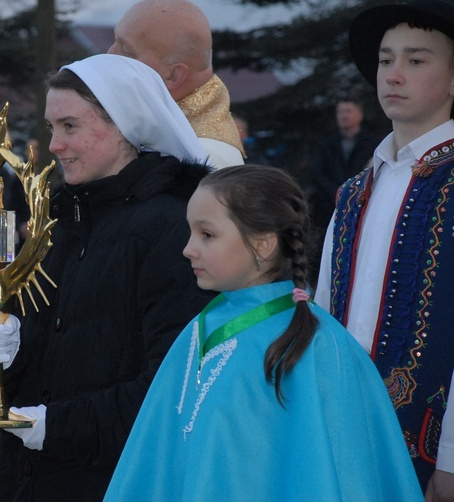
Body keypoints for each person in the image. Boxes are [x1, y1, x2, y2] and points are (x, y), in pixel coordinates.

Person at [0, 53, 212, 500]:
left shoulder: (169, 228)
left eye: (70, 126)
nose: (54, 144)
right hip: (24, 478)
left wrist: (55, 426)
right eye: (51, 127)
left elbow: (170, 386)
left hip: (112, 482)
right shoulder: (56, 223)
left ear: (124, 125)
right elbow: (36, 365)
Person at [104, 165, 422, 501]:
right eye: (190, 232)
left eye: (207, 235)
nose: (188, 249)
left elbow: (332, 475)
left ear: (264, 244)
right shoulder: (201, 326)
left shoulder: (317, 346)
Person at [314, 0, 454, 497]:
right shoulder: (354, 190)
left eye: (416, 61)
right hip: (341, 437)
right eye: (385, 59)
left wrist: (453, 460)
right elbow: (326, 312)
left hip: (426, 447)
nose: (394, 74)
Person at [108, 0, 245, 169]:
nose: (110, 54)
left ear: (173, 76)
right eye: (115, 40)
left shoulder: (200, 160)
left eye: (126, 50)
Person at [310, 98, 382, 231]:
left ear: (359, 115)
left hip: (364, 202)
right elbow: (318, 173)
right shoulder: (327, 144)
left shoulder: (374, 143)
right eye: (340, 112)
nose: (344, 116)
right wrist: (335, 193)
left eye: (348, 111)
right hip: (331, 207)